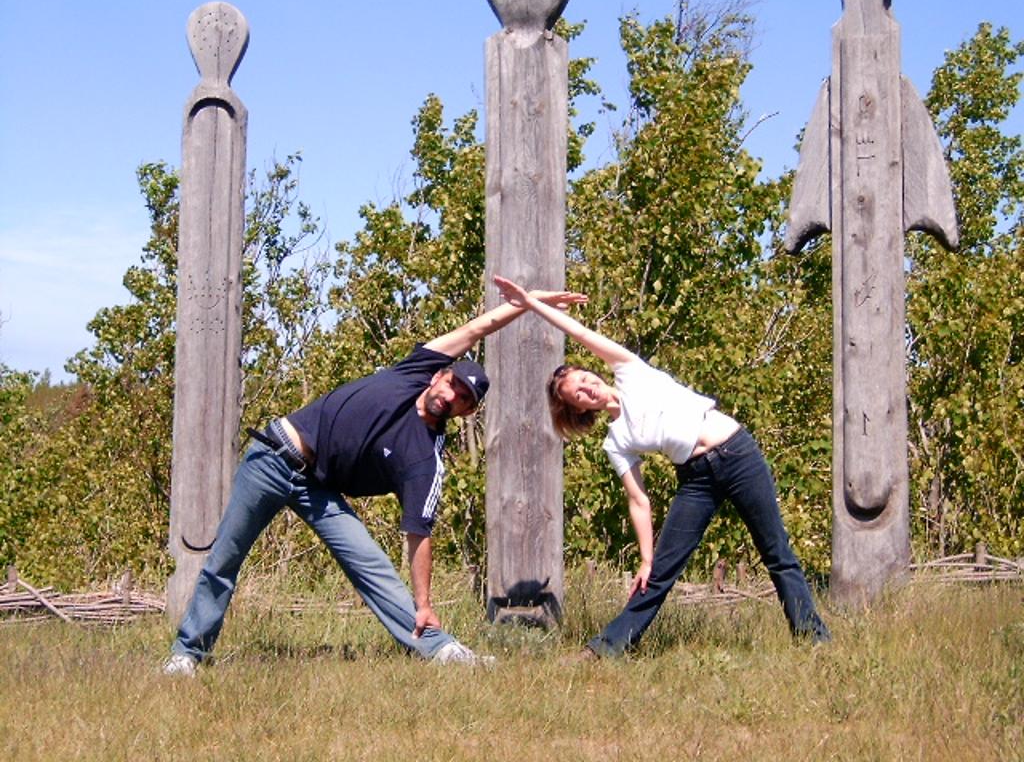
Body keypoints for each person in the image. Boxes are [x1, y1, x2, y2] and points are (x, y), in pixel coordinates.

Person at [163, 287, 587, 676]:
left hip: (317, 490)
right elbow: (479, 328)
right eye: (455, 383)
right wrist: (530, 303)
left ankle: (440, 648)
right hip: (272, 459)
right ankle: (188, 654)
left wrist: (424, 603)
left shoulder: (425, 456)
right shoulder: (415, 370)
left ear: (467, 413)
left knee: (371, 565)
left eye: (464, 398)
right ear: (441, 374)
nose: (453, 394)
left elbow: (419, 533)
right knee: (223, 561)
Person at [493, 275, 830, 658]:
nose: (588, 388)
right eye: (579, 395)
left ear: (595, 373)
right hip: (697, 479)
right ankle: (605, 649)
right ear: (579, 409)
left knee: (776, 553)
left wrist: (531, 303)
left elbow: (579, 332)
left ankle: (813, 642)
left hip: (738, 454)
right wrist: (646, 557)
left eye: (585, 379)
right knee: (657, 576)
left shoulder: (630, 370)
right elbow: (639, 501)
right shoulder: (615, 440)